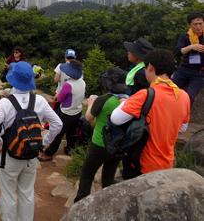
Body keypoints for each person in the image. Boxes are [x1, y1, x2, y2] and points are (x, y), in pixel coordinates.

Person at [0, 61, 62, 221]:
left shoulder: (5, 103)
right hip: (31, 155)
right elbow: (58, 124)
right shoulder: (39, 101)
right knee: (27, 193)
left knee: (8, 194)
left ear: (12, 80)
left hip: (9, 156)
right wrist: (44, 143)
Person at [110, 49, 191, 177]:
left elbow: (115, 118)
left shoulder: (145, 95)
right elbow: (183, 127)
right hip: (167, 165)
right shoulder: (184, 96)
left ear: (151, 68)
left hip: (142, 165)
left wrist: (125, 101)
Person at [74, 67, 129, 202]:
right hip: (118, 145)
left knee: (87, 175)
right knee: (108, 177)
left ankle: (80, 205)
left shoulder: (104, 99)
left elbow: (88, 118)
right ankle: (106, 205)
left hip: (99, 144)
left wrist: (91, 103)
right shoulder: (129, 100)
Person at [40, 59, 85, 161]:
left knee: (58, 133)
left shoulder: (68, 85)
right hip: (77, 111)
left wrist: (56, 98)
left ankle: (49, 153)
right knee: (71, 132)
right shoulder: (82, 82)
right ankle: (70, 149)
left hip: (66, 113)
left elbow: (59, 99)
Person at [172, 12, 204, 105]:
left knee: (189, 96)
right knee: (170, 91)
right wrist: (191, 47)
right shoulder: (185, 36)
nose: (198, 26)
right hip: (184, 69)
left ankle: (184, 118)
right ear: (190, 25)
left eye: (200, 23)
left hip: (199, 73)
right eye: (195, 24)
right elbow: (176, 52)